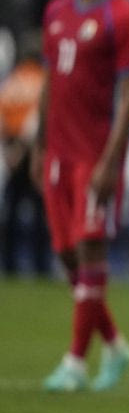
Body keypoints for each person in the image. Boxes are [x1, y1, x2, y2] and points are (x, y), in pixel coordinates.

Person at [34, 0, 129, 392]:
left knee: (90, 249)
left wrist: (110, 160)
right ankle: (115, 345)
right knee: (67, 255)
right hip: (57, 153)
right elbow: (48, 81)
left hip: (94, 154)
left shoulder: (124, 16)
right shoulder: (56, 11)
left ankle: (76, 363)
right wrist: (39, 144)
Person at [1, 47, 50, 275]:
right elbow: (38, 118)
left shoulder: (12, 81)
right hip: (32, 152)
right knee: (40, 212)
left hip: (13, 152)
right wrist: (24, 149)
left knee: (12, 209)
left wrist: (9, 151)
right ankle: (40, 265)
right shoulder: (42, 79)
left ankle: (9, 264)